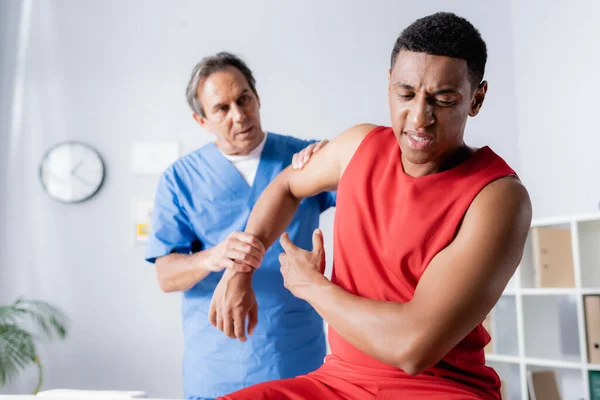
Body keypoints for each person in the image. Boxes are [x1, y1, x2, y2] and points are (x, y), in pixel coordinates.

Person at [216, 12, 532, 400]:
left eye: (443, 99)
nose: (419, 117)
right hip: (338, 381)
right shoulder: (357, 146)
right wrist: (240, 268)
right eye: (405, 94)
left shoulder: (498, 197)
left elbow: (412, 347)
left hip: (439, 390)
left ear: (476, 99)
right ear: (388, 86)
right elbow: (286, 185)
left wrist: (312, 287)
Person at [145, 52, 335, 400]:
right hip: (218, 362)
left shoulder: (303, 159)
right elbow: (165, 276)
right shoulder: (180, 179)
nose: (239, 115)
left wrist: (335, 157)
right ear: (201, 120)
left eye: (244, 99)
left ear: (257, 97)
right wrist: (213, 257)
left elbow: (369, 190)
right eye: (222, 108)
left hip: (295, 353)